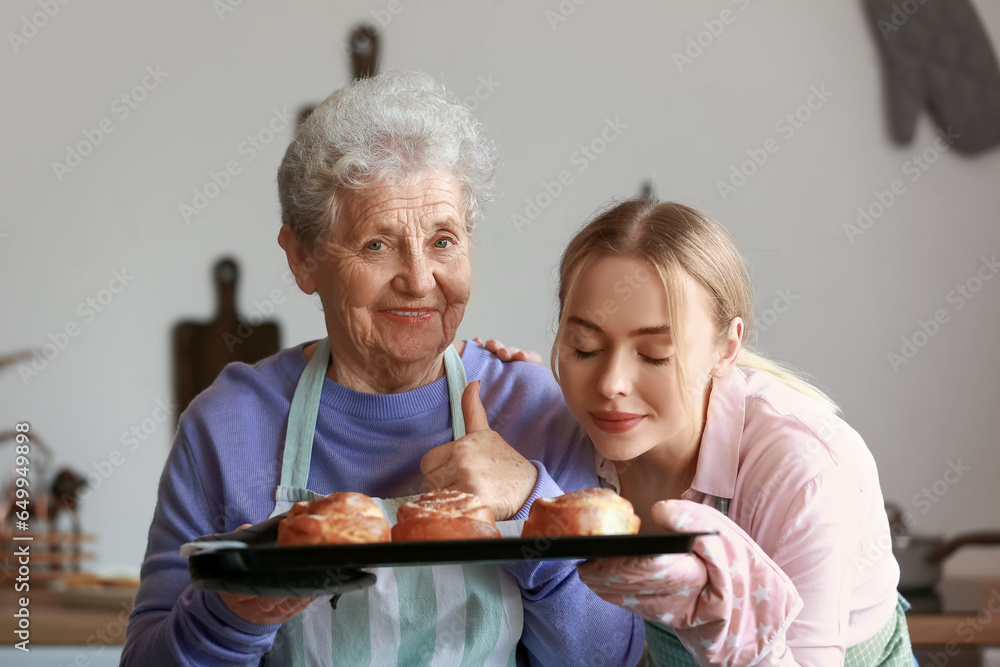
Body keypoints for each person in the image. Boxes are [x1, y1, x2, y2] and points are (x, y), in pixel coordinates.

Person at [120, 71, 644, 666]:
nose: (420, 281)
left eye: (443, 241)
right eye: (376, 245)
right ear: (303, 257)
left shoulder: (533, 407)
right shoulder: (229, 425)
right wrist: (237, 612)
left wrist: (530, 505)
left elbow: (611, 661)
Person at [486, 199, 913, 665]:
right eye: (585, 347)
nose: (610, 385)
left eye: (654, 356)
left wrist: (728, 628)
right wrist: (508, 387)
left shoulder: (804, 474)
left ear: (726, 348)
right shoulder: (571, 432)